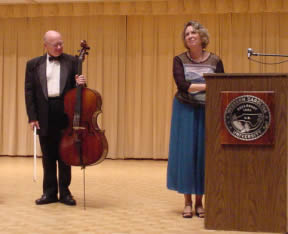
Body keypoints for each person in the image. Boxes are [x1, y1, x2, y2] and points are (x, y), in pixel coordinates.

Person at [167, 21, 224, 218]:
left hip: (208, 110)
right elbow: (183, 85)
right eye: (186, 34)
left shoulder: (215, 60)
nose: (189, 36)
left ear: (201, 36)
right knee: (187, 154)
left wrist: (198, 85)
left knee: (203, 155)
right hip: (185, 109)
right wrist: (208, 84)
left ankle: (201, 202)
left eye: (193, 33)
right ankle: (188, 202)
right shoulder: (179, 59)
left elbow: (221, 85)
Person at [25, 30, 86, 206]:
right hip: (44, 113)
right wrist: (32, 117)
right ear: (45, 45)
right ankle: (49, 192)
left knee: (66, 155)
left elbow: (79, 91)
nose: (59, 47)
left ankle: (65, 192)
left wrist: (81, 83)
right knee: (48, 155)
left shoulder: (73, 61)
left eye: (61, 43)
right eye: (55, 44)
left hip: (65, 110)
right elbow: (29, 93)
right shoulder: (33, 64)